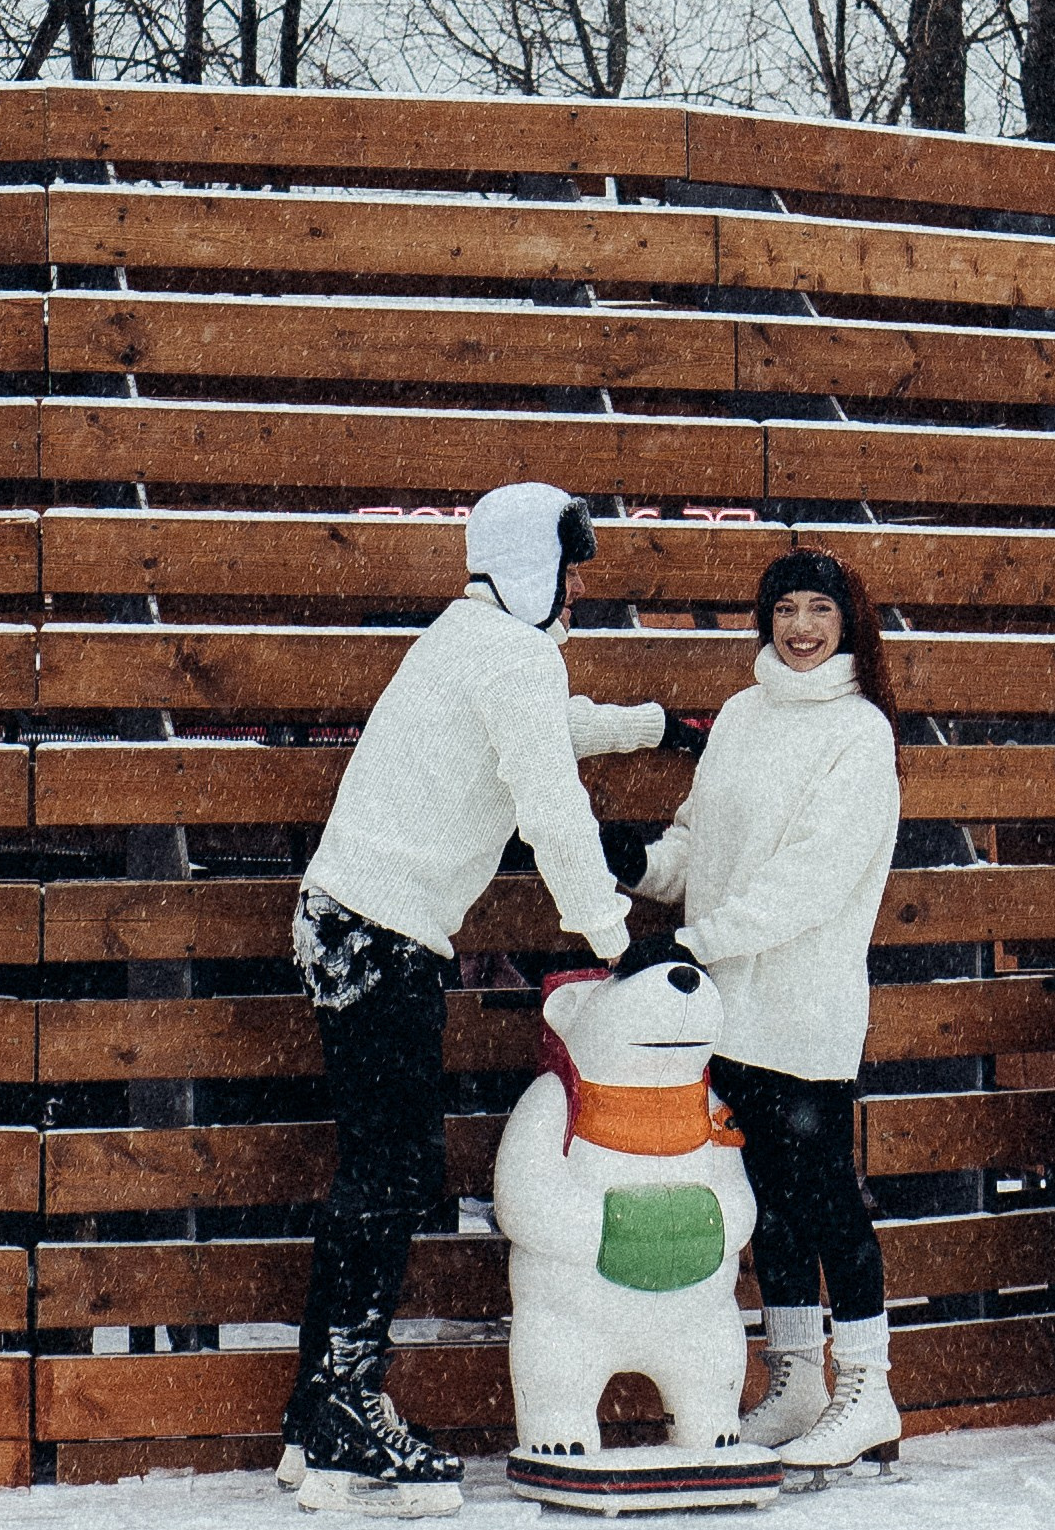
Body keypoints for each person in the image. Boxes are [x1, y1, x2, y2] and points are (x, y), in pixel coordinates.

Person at [281, 482, 669, 1514]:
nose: (576, 590)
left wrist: (644, 727)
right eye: (569, 568)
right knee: (395, 1172)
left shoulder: (469, 636)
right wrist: (616, 938)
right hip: (383, 933)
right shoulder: (512, 656)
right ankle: (345, 1414)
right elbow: (551, 809)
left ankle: (318, 1412)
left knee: (375, 1167)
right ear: (532, 565)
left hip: (344, 918)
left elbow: (536, 730)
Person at [618, 547, 903, 1475]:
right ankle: (798, 1379)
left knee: (824, 1198)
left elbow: (807, 881)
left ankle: (867, 1387)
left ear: (847, 621)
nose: (801, 627)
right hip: (729, 1013)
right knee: (770, 1204)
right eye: (785, 609)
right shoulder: (742, 714)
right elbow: (698, 841)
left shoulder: (859, 734)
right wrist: (641, 867)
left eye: (820, 608)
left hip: (803, 1009)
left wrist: (698, 940)